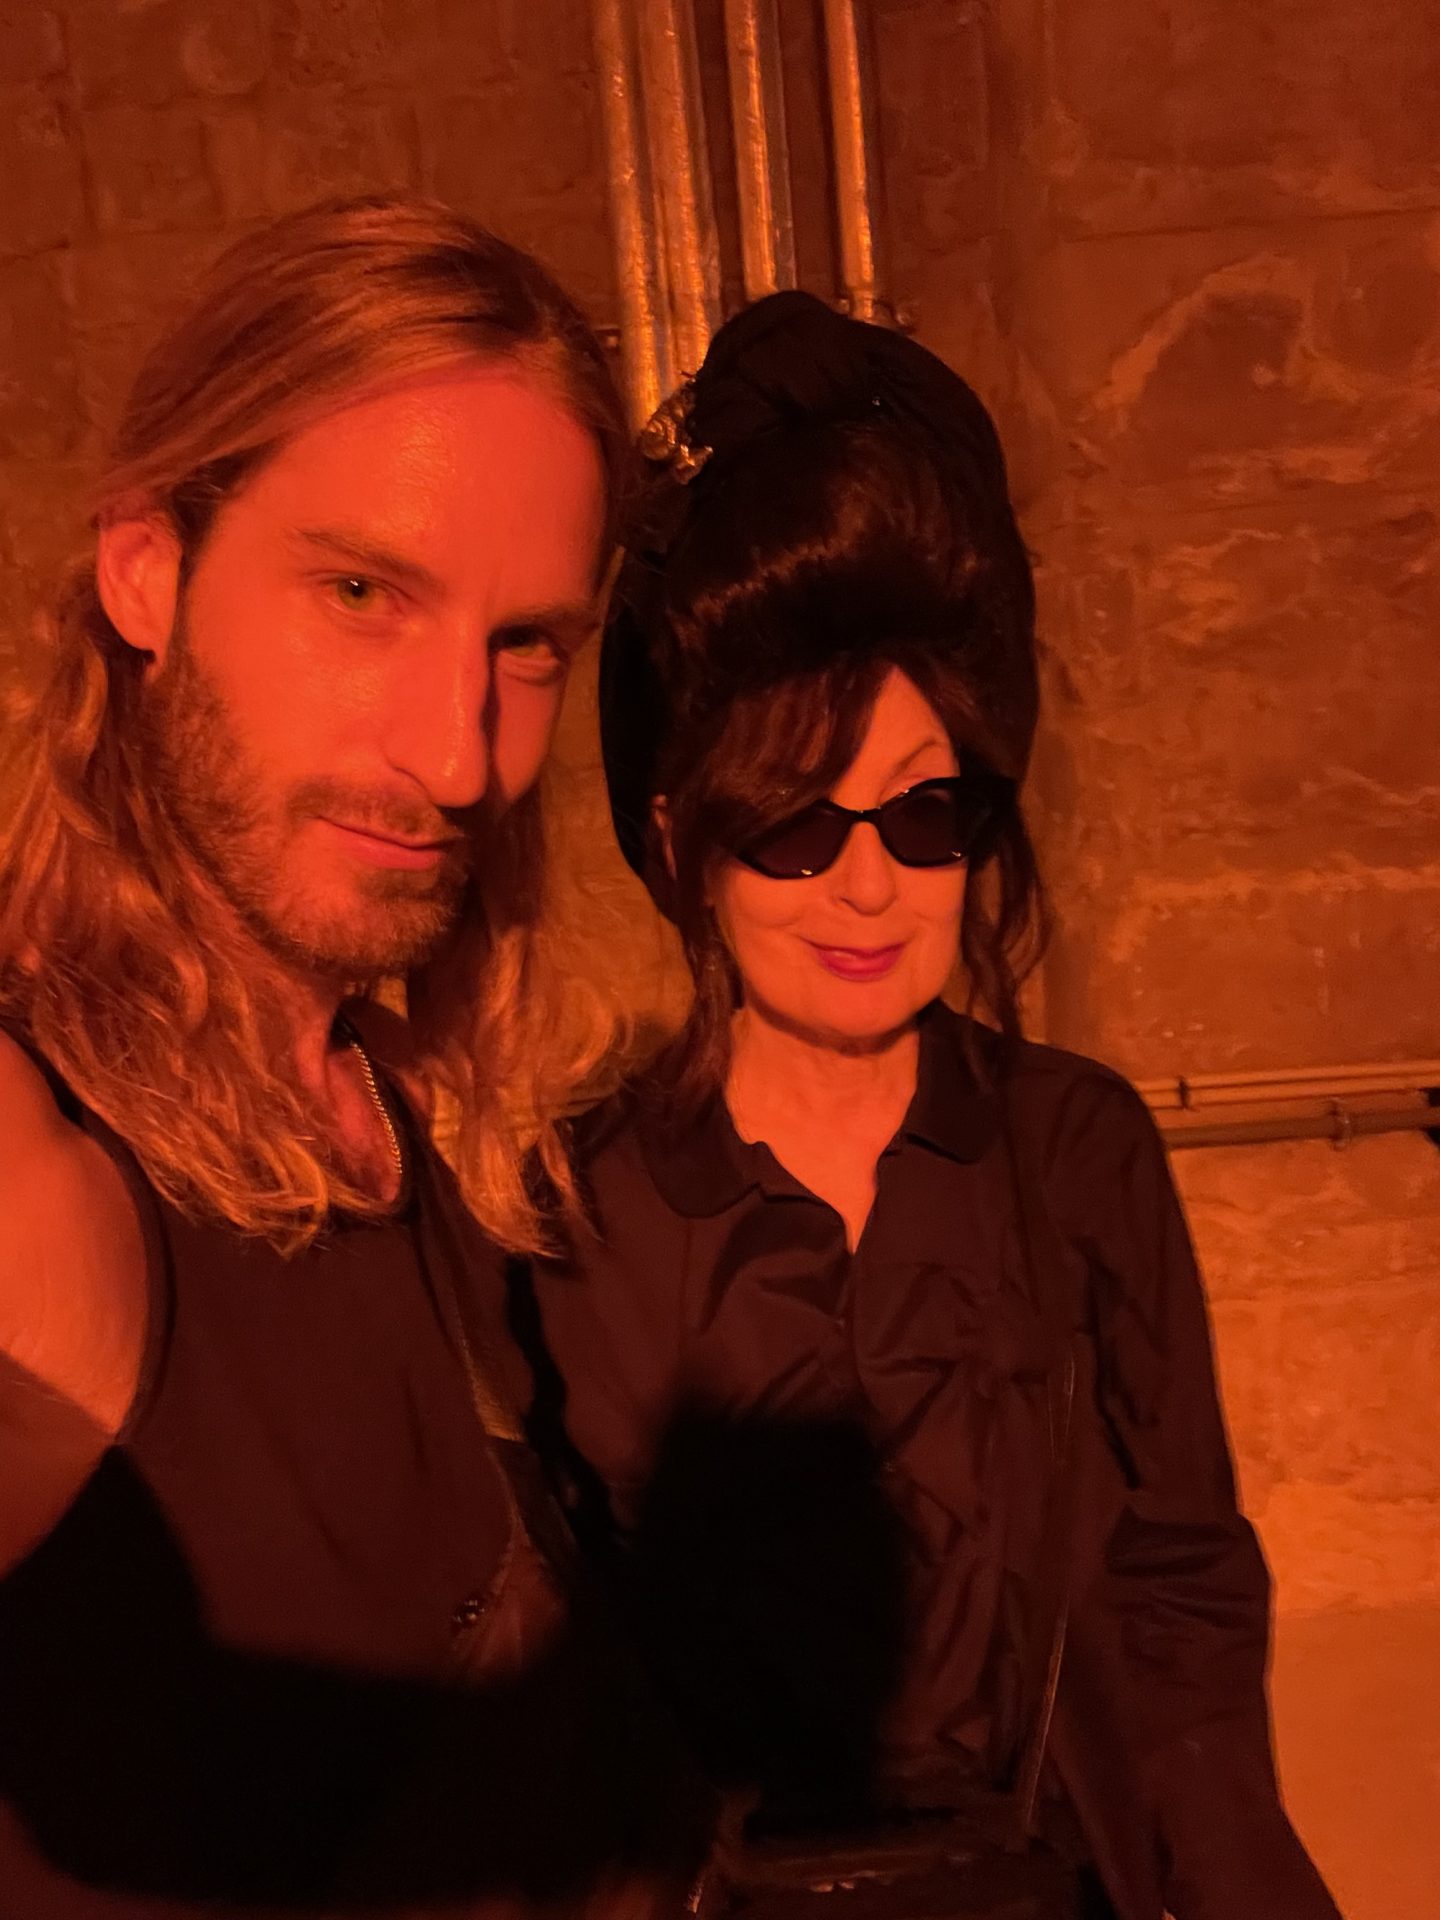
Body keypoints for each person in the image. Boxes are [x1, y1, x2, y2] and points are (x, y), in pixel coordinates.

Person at [526, 292, 1344, 1919]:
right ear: (684, 844)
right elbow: (581, 1699)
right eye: (793, 826)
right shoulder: (585, 1211)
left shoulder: (1076, 1148)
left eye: (921, 816)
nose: (867, 887)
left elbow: (1181, 1596)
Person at [0, 195, 705, 1917]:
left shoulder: (394, 1100)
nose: (457, 758)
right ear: (148, 569)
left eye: (526, 646)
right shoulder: (36, 1166)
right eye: (364, 592)